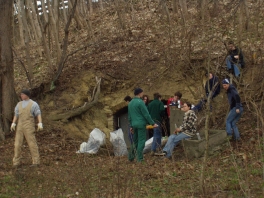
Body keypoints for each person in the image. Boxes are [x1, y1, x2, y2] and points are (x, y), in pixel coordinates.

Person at [10, 89, 43, 167]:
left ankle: (36, 161)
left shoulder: (33, 104)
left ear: (27, 95)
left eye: (23, 94)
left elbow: (38, 113)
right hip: (20, 125)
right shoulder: (19, 104)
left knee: (32, 143)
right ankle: (16, 162)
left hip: (29, 125)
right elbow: (16, 114)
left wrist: (40, 123)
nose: (21, 96)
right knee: (17, 144)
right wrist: (13, 123)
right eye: (21, 94)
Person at [128, 88, 158, 162]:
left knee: (135, 141)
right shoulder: (140, 102)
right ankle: (140, 158)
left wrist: (131, 126)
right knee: (141, 141)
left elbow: (129, 116)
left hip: (134, 124)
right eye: (142, 92)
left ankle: (131, 157)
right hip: (141, 124)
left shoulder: (130, 103)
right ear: (139, 93)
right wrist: (152, 123)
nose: (142, 94)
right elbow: (146, 114)